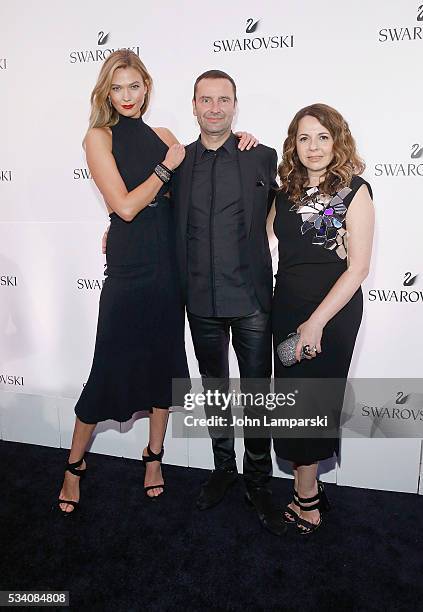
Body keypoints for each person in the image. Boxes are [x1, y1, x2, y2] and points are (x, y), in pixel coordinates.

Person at [57, 52, 257, 514]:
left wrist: (244, 141)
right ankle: (73, 465)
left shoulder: (167, 137)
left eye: (134, 86)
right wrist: (164, 171)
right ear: (106, 92)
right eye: (117, 88)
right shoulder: (98, 137)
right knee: (108, 360)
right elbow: (124, 207)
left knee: (166, 363)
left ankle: (154, 457)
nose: (127, 96)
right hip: (130, 266)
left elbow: (204, 177)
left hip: (170, 264)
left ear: (146, 87)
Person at [173, 70, 286, 536]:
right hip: (199, 297)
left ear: (235, 105)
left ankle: (258, 480)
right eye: (206, 100)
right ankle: (224, 471)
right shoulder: (177, 162)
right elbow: (151, 210)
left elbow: (281, 205)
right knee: (215, 390)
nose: (215, 108)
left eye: (223, 100)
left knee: (257, 392)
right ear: (194, 105)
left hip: (252, 297)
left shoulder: (260, 155)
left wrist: (265, 240)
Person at [271, 103, 374, 534]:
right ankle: (306, 487)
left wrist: (315, 323)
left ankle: (307, 499)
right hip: (287, 308)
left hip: (330, 313)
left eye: (323, 137)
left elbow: (359, 268)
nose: (313, 147)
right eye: (304, 138)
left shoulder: (355, 190)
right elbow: (251, 242)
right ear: (294, 145)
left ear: (338, 141)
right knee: (294, 403)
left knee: (310, 403)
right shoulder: (283, 193)